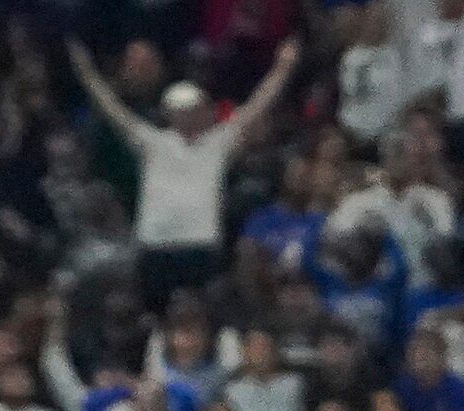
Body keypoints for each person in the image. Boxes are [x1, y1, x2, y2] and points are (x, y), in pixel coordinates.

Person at [67, 37, 300, 302]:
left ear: (203, 110)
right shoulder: (153, 142)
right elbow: (112, 109)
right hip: (155, 247)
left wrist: (283, 68)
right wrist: (86, 72)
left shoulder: (218, 143)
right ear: (169, 114)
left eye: (193, 110)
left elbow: (257, 107)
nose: (188, 115)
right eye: (181, 111)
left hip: (199, 248)